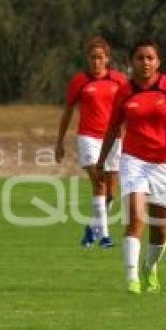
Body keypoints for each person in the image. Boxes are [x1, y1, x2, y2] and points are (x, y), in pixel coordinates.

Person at [95, 38, 166, 294]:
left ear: (158, 62)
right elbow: (113, 128)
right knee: (135, 218)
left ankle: (149, 266)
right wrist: (101, 162)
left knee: (160, 230)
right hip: (134, 160)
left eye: (149, 58)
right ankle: (131, 278)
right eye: (139, 58)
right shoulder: (124, 91)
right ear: (132, 62)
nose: (145, 62)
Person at [55, 37, 127, 249]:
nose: (96, 62)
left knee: (112, 192)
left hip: (113, 138)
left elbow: (130, 108)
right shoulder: (79, 81)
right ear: (87, 59)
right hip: (88, 137)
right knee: (99, 182)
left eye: (100, 58)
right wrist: (59, 142)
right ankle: (104, 236)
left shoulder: (119, 80)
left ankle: (92, 228)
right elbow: (67, 112)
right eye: (92, 58)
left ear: (107, 59)